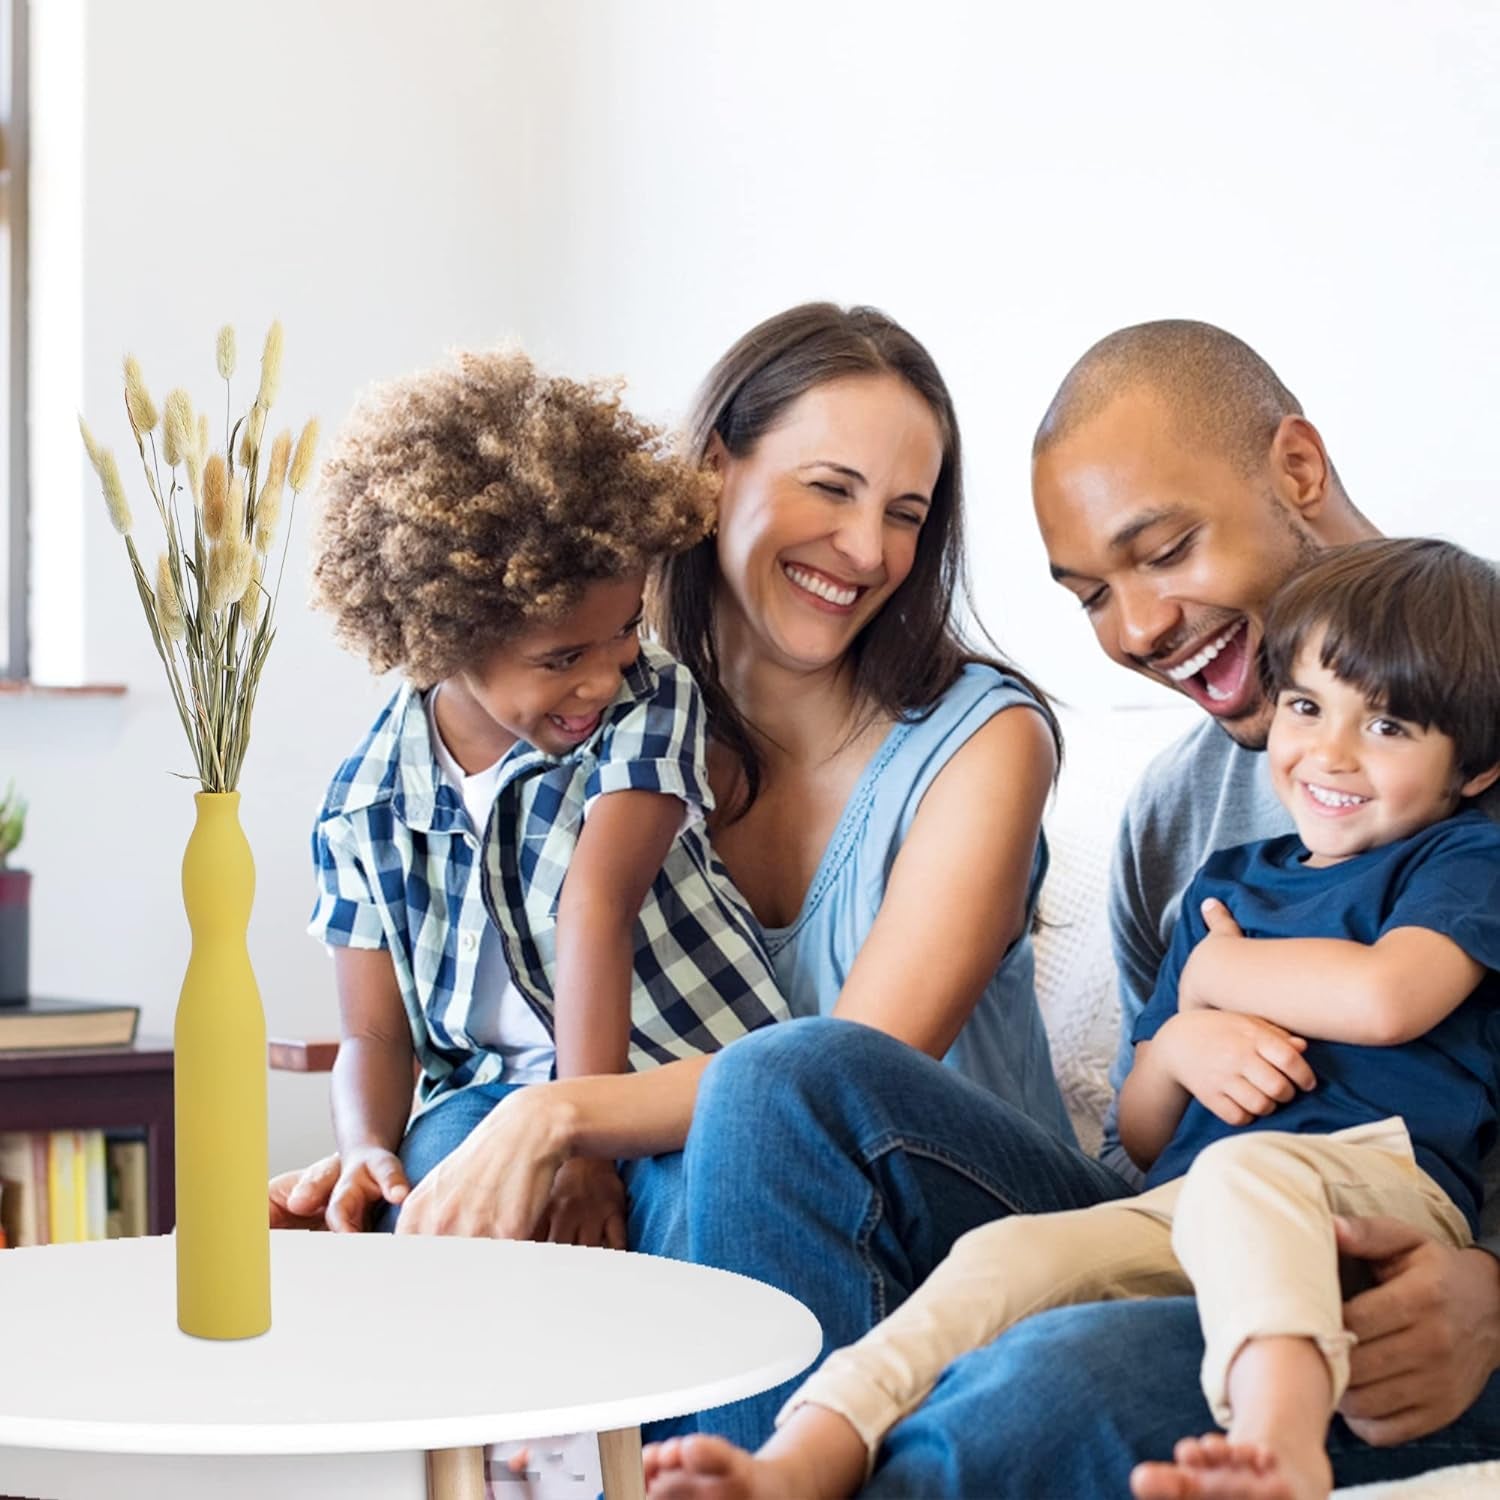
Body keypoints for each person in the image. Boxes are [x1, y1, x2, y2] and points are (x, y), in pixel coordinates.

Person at [645, 321, 1500, 1495]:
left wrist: (1494, 1291)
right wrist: (1180, 1037)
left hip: (1403, 1269)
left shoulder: (1473, 783)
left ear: (1296, 471)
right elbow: (1147, 1146)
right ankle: (769, 1464)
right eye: (1094, 593)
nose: (1139, 629)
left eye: (1167, 549)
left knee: (1048, 1382)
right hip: (1190, 1219)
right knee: (779, 1078)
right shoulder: (1178, 816)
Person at [271, 304, 1070, 1274]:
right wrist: (390, 1166)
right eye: (831, 488)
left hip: (950, 1224)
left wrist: (561, 1113)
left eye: (906, 514)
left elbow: (837, 1081)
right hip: (720, 1181)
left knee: (741, 1145)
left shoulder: (983, 742)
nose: (867, 550)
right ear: (715, 470)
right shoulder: (585, 712)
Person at [302, 347, 788, 1242]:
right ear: (444, 640)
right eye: (564, 658)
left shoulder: (650, 699)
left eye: (623, 632)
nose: (603, 678)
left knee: (694, 1219)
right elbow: (373, 1035)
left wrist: (586, 1153)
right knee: (429, 1213)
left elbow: (593, 908)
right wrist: (368, 1144)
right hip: (489, 1092)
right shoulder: (365, 805)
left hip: (668, 1075)